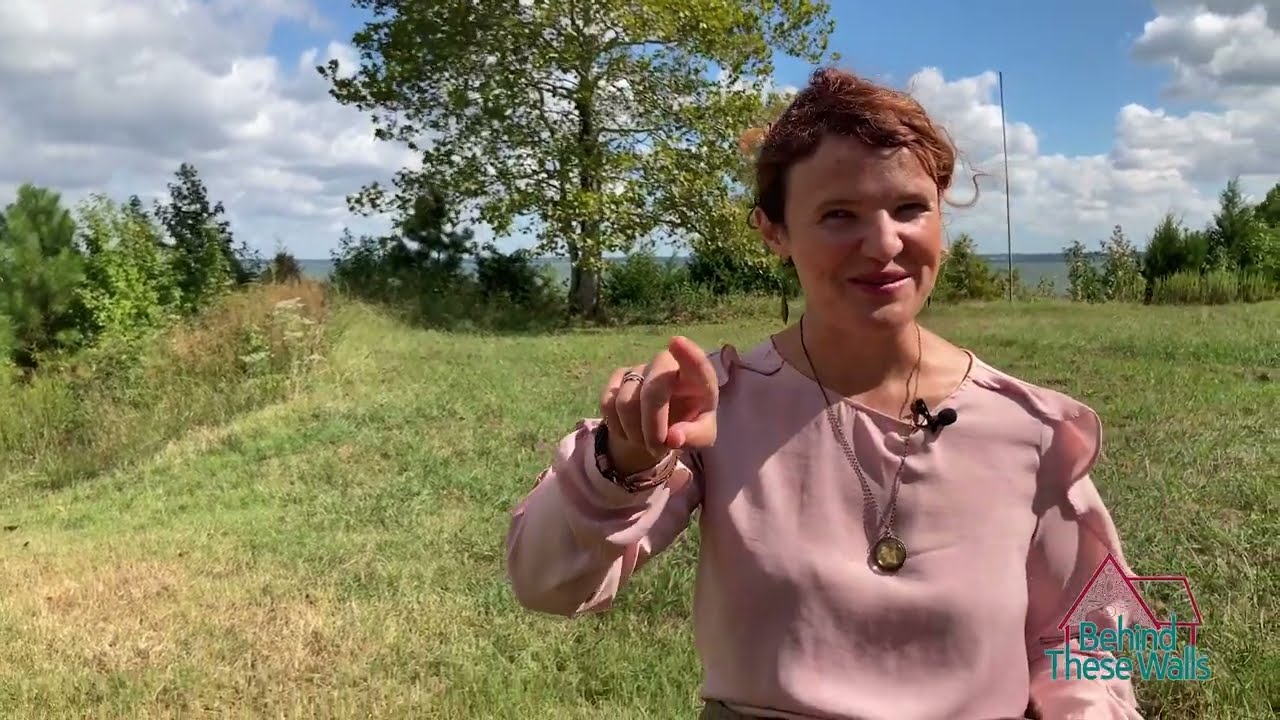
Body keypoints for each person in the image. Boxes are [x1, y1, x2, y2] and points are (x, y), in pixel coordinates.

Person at [504, 67, 1144, 720]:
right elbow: (547, 584)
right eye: (840, 214)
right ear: (773, 232)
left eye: (909, 208)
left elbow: (1093, 643)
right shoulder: (720, 410)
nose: (884, 244)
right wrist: (626, 461)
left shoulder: (1029, 428)